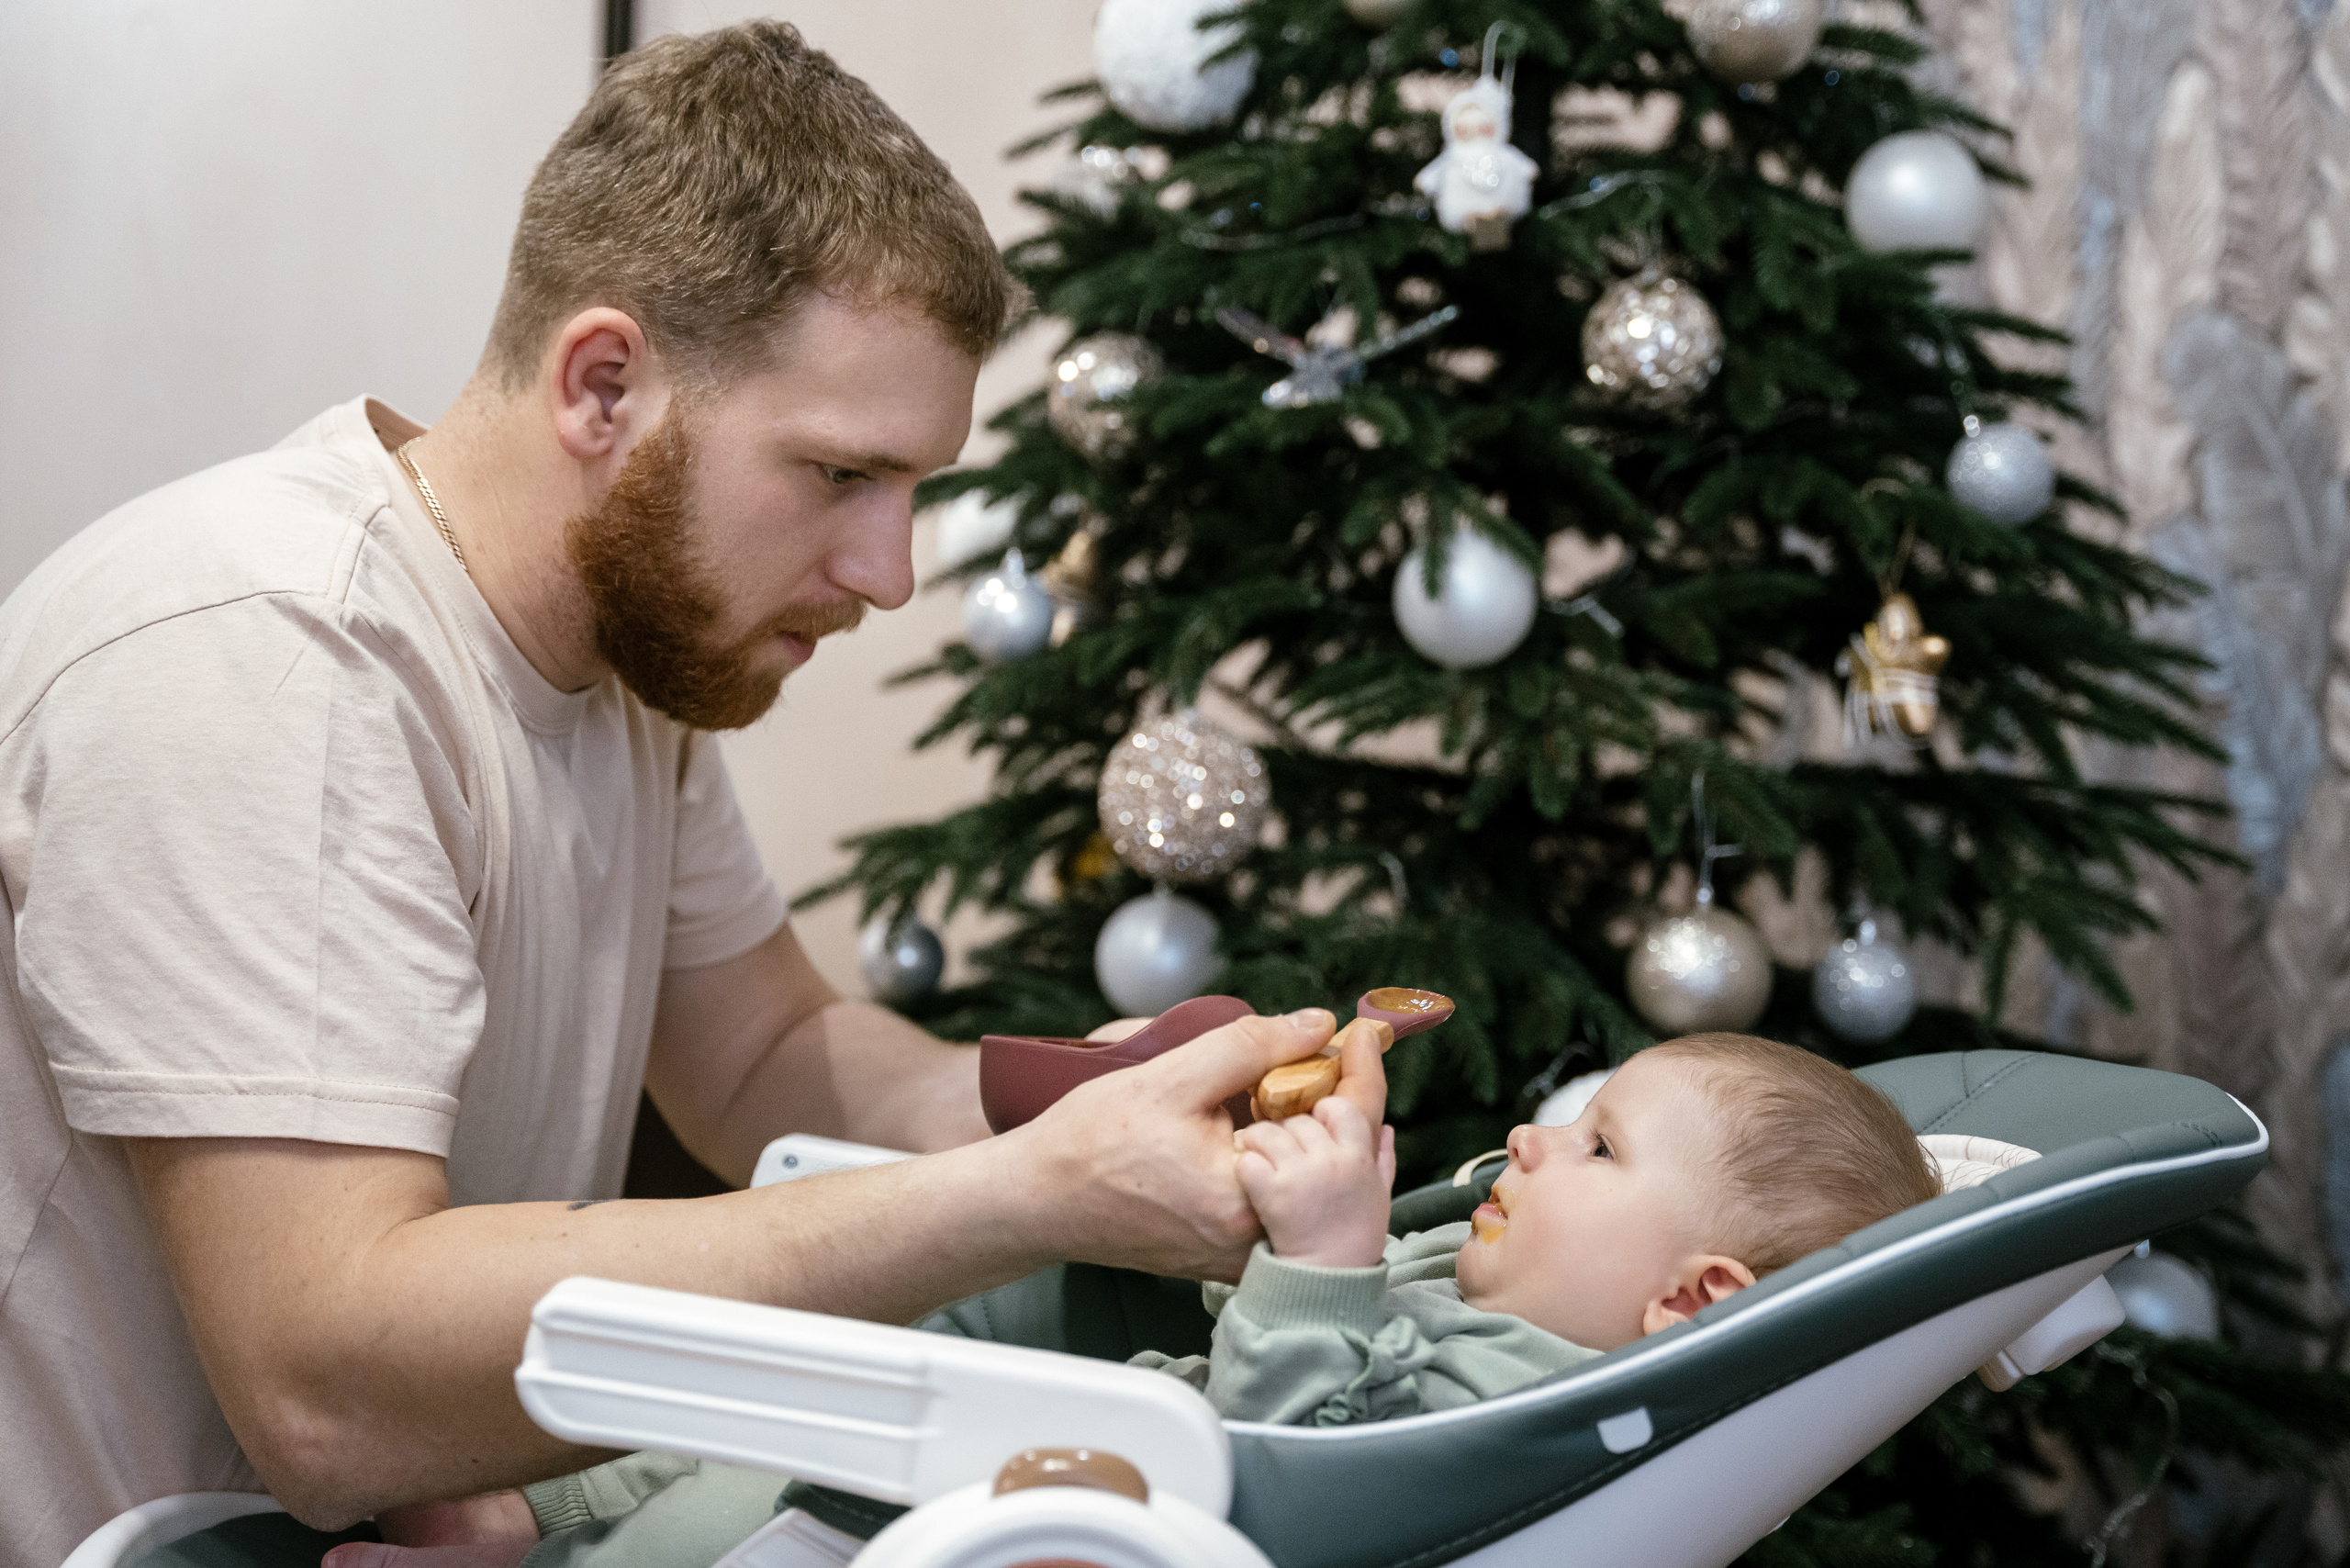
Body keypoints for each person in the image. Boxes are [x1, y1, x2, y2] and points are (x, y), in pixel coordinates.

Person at [0, 26, 1367, 1568]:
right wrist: (1021, 1198)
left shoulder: (626, 656)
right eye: (843, 477)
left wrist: (1065, 1099)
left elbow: (766, 1054)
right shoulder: (273, 656)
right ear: (603, 385)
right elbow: (328, 1389)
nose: (891, 575)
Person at [335, 1032, 1940, 1568]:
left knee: (806, 1486)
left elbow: (1312, 1495)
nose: (1531, 1134)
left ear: (1694, 1293)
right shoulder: (1484, 1278)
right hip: (1074, 1439)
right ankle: (543, 1510)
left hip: (1096, 1505)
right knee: (898, 1324)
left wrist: (1318, 1265)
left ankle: (559, 1544)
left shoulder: (1541, 1405)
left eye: (1596, 1145)